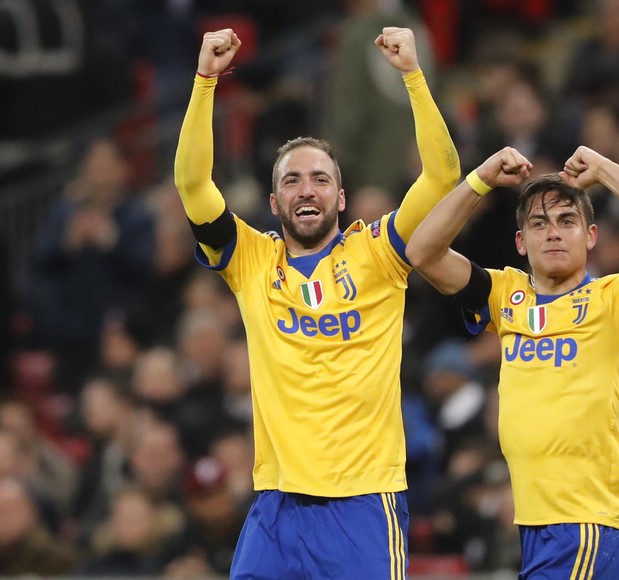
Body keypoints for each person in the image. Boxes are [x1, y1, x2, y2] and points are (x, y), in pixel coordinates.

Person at [174, 27, 459, 579]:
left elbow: (443, 176)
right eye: (294, 181)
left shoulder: (380, 252)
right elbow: (191, 184)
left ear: (342, 196)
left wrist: (414, 78)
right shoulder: (250, 260)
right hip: (277, 504)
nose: (308, 189)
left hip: (363, 503)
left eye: (321, 179)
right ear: (276, 200)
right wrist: (205, 80)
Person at [406, 144, 619, 578]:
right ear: (521, 243)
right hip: (535, 525)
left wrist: (606, 170)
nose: (554, 233)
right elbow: (422, 252)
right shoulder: (506, 295)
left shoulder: (616, 300)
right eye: (539, 224)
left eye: (567, 221)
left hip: (587, 524)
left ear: (591, 236)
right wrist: (482, 178)